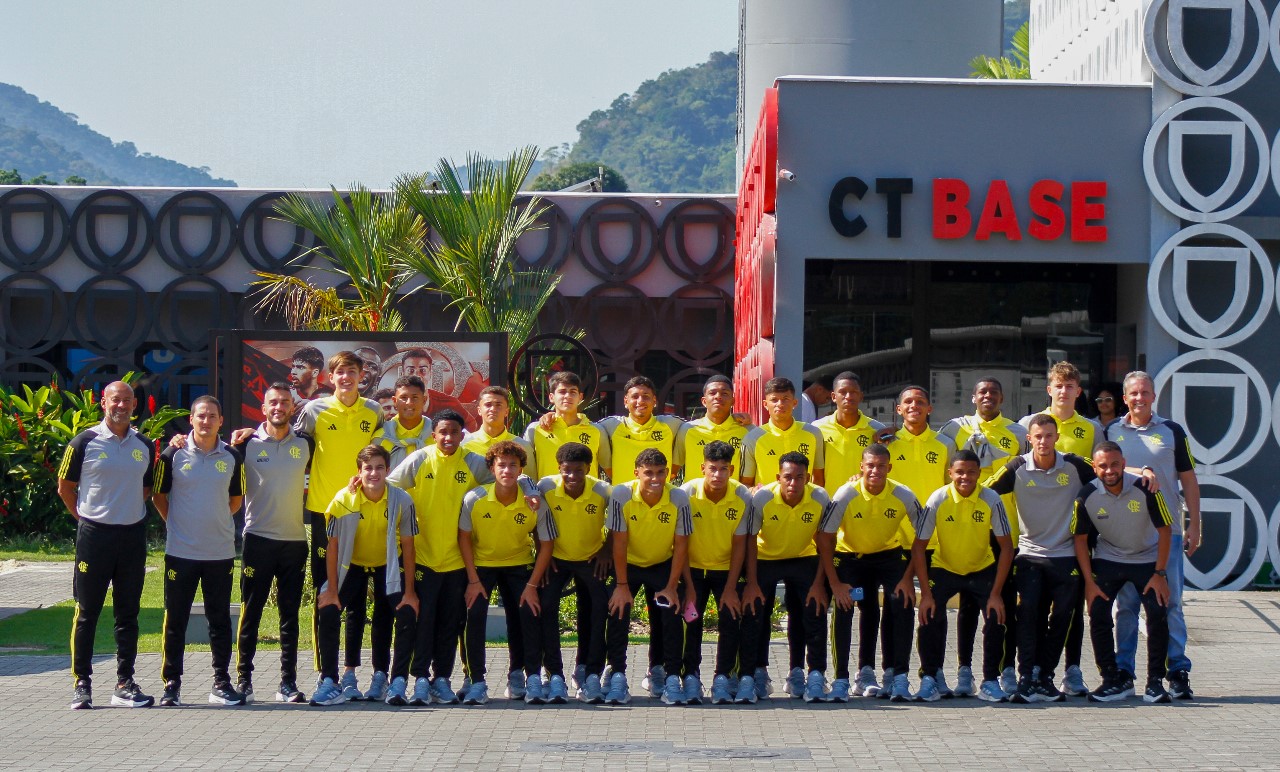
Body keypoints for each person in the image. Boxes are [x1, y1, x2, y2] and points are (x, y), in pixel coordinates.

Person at [386, 408, 539, 706]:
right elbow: (389, 486)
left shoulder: (471, 462)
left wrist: (530, 488)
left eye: (454, 432)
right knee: (422, 620)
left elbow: (506, 477)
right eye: (442, 432)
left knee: (450, 622)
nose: (447, 437)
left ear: (462, 436)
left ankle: (442, 679)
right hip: (424, 557)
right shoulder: (419, 459)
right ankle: (419, 679)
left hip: (457, 560)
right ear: (434, 435)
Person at [57, 380, 156, 710]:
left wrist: (123, 510)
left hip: (131, 537)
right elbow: (65, 487)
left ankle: (124, 682)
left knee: (128, 614)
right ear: (104, 403)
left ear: (134, 405)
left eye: (127, 400)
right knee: (87, 613)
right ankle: (82, 683)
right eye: (116, 399)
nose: (122, 405)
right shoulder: (83, 442)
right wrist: (87, 518)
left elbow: (147, 489)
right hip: (94, 537)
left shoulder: (144, 445)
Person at [1105, 370, 1200, 699]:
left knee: (1171, 604)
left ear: (1153, 397)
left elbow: (1188, 480)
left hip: (1167, 534)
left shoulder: (1172, 431)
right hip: (1125, 536)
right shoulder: (1112, 430)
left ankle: (1178, 671)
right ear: (1125, 397)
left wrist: (1195, 525)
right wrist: (1137, 471)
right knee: (1127, 606)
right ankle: (1124, 671)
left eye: (1145, 392)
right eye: (1134, 393)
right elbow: (1101, 470)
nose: (1140, 398)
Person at [988, 414, 1095, 703]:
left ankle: (1046, 676)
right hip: (1030, 556)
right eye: (1038, 436)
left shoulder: (1073, 465)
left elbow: (1111, 473)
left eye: (1049, 435)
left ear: (1056, 437)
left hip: (1066, 555)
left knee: (1062, 618)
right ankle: (1026, 678)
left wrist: (1145, 472)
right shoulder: (1017, 467)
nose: (1044, 441)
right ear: (1029, 439)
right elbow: (983, 490)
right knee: (1028, 615)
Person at [152, 396, 246, 707]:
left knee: (219, 620)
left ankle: (221, 682)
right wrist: (179, 525)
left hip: (219, 552)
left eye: (212, 416)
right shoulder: (172, 454)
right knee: (175, 619)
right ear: (191, 419)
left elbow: (235, 500)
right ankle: (172, 684)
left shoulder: (232, 457)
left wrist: (213, 523)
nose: (206, 421)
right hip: (181, 551)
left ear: (221, 421)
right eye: (201, 416)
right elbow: (158, 497)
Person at [1018, 361, 1104, 697]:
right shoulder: (1030, 424)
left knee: (1071, 609)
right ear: (1049, 389)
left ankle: (1073, 670)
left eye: (1070, 386)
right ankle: (1035, 672)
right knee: (1035, 609)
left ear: (1078, 391)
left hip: (1077, 534)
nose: (1064, 391)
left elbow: (1103, 471)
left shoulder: (1092, 428)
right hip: (1037, 533)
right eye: (1058, 385)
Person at [938, 378, 1028, 695]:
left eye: (994, 391)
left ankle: (1004, 671)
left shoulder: (1017, 433)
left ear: (1002, 397)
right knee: (967, 606)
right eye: (982, 392)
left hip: (1004, 530)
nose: (988, 396)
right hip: (966, 526)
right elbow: (937, 462)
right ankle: (965, 671)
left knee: (1003, 604)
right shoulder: (954, 428)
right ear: (973, 397)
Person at [311, 445, 419, 706]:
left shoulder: (401, 500)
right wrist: (333, 591)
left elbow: (408, 547)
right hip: (352, 567)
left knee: (403, 612)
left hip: (387, 566)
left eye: (379, 467)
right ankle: (332, 680)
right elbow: (333, 547)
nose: (374, 473)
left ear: (388, 470)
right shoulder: (343, 500)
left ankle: (392, 680)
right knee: (328, 609)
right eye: (368, 468)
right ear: (359, 472)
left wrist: (410, 592)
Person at [230, 383, 314, 704]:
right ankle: (243, 680)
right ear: (263, 408)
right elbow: (213, 459)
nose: (279, 407)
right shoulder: (245, 444)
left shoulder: (306, 444)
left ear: (293, 409)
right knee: (251, 611)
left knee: (289, 615)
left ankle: (287, 683)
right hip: (258, 540)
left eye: (285, 403)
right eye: (273, 402)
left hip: (294, 541)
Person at [817, 443, 920, 702]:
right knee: (846, 606)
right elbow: (825, 538)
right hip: (850, 558)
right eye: (870, 465)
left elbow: (924, 534)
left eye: (881, 466)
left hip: (888, 557)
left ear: (889, 468)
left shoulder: (904, 494)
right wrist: (834, 583)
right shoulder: (845, 494)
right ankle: (843, 679)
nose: (875, 471)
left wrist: (909, 578)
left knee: (902, 602)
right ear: (861, 467)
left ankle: (897, 676)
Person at [910, 450, 1014, 703]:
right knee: (929, 615)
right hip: (945, 567)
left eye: (970, 472)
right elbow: (918, 547)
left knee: (996, 616)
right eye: (959, 472)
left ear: (979, 473)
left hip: (981, 567)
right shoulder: (938, 498)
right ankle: (931, 677)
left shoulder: (991, 499)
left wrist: (997, 594)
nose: (965, 477)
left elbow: (1007, 547)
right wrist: (924, 594)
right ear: (950, 473)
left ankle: (990, 680)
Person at [457, 441, 557, 705]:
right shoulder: (475, 498)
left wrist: (532, 586)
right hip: (482, 566)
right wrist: (472, 580)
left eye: (513, 465)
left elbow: (547, 543)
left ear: (521, 468)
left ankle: (527, 676)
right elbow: (464, 538)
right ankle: (476, 681)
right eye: (501, 464)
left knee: (527, 612)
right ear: (492, 468)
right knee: (474, 615)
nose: (507, 470)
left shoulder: (534, 501)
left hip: (518, 564)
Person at [1074, 442, 1174, 704]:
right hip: (1109, 558)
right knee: (1098, 611)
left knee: (1157, 612)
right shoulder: (1086, 496)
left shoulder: (1145, 488)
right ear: (1094, 468)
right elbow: (1080, 540)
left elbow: (1166, 530)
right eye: (1103, 466)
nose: (1109, 470)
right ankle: (1112, 680)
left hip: (1147, 560)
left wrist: (1160, 573)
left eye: (1115, 464)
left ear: (1123, 463)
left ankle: (1155, 682)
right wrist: (1088, 582)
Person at [739, 452, 832, 703]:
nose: (793, 484)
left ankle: (808, 674)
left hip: (803, 558)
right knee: (756, 615)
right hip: (766, 558)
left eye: (799, 478)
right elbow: (749, 539)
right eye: (787, 478)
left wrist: (819, 584)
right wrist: (751, 583)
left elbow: (825, 541)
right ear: (778, 477)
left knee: (812, 614)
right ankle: (755, 673)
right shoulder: (763, 498)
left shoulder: (820, 498)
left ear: (808, 478)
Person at [602, 449, 692, 705]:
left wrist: (673, 586)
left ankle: (669, 676)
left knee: (671, 616)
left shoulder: (679, 497)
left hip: (662, 564)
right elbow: (619, 543)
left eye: (661, 473)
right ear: (636, 473)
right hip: (628, 565)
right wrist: (621, 585)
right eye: (648, 473)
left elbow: (681, 545)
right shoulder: (622, 494)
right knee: (618, 612)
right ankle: (617, 674)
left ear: (668, 473)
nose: (655, 479)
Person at [292, 351, 383, 602]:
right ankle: (323, 641)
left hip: (362, 506)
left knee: (355, 584)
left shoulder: (374, 411)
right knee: (323, 586)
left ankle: (352, 640)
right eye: (340, 372)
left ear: (361, 376)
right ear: (331, 377)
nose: (346, 377)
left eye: (352, 372)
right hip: (325, 507)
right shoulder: (314, 408)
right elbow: (293, 441)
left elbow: (385, 448)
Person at [679, 440, 755, 705]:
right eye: (713, 468)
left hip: (726, 571)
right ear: (702, 468)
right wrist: (688, 585)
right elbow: (681, 543)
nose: (718, 475)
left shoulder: (743, 495)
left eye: (724, 469)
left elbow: (740, 544)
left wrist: (732, 588)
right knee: (691, 624)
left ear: (732, 470)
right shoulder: (686, 493)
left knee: (730, 621)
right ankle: (690, 677)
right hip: (693, 570)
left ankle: (723, 678)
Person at [535, 442, 612, 703]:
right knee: (545, 608)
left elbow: (618, 522)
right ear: (559, 468)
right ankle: (553, 673)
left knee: (598, 610)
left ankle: (589, 672)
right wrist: (542, 557)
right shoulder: (545, 487)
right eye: (567, 470)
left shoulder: (602, 491)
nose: (572, 476)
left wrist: (606, 550)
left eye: (579, 471)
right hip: (556, 559)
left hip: (590, 558)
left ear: (589, 469)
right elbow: (535, 524)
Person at [598, 375, 686, 484]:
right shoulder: (611, 425)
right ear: (626, 401)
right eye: (635, 396)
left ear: (654, 401)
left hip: (660, 497)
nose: (640, 401)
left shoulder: (671, 424)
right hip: (623, 497)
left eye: (646, 396)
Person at [812, 371, 889, 495]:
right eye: (842, 392)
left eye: (853, 392)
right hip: (830, 504)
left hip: (863, 503)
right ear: (833, 396)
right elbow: (815, 472)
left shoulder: (876, 429)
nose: (848, 396)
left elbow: (883, 467)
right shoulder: (817, 428)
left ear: (861, 396)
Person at [740, 377, 825, 488]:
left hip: (804, 504)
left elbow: (818, 478)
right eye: (774, 400)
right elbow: (746, 483)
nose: (780, 404)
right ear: (765, 404)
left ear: (794, 403)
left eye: (785, 399)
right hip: (767, 504)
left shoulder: (813, 434)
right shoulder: (753, 438)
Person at [525, 371, 609, 479]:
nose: (567, 396)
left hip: (587, 495)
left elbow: (609, 469)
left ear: (580, 397)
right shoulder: (536, 429)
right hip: (546, 494)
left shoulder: (597, 430)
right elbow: (525, 470)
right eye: (562, 391)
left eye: (573, 392)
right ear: (551, 397)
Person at [673, 375, 752, 480]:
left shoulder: (747, 431)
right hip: (694, 496)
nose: (718, 396)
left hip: (732, 496)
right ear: (704, 401)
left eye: (724, 393)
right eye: (712, 393)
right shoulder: (687, 430)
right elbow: (672, 471)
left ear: (733, 401)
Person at [375, 375, 433, 470]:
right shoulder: (380, 438)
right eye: (404, 397)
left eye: (415, 397)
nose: (409, 402)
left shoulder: (436, 436)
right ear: (395, 401)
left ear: (424, 400)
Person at [462, 385, 532, 458]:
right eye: (488, 405)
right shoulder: (464, 445)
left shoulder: (521, 446)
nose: (493, 409)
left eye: (498, 405)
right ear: (479, 411)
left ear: (506, 411)